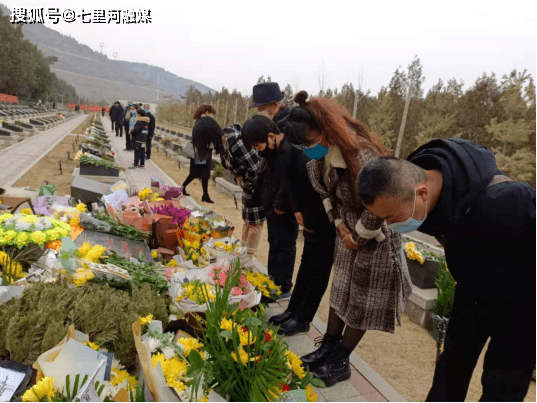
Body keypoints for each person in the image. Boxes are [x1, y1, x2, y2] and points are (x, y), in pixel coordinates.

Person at [356, 139, 536, 402]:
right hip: (471, 293)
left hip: (521, 305)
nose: (388, 226)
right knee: (449, 370)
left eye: (391, 217)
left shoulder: (509, 201)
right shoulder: (423, 194)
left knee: (502, 385)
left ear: (422, 194)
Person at [283, 91, 412, 388]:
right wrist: (340, 227)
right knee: (341, 291)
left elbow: (380, 202)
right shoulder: (319, 157)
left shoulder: (361, 153)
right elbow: (327, 195)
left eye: (309, 142)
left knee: (361, 301)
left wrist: (358, 235)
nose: (308, 150)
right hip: (347, 231)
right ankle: (328, 347)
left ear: (326, 130)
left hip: (375, 235)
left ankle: (341, 360)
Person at [270, 120, 336, 336]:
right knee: (306, 265)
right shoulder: (302, 148)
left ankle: (303, 318)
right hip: (310, 216)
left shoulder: (327, 150)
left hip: (328, 220)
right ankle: (293, 310)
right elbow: (295, 180)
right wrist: (297, 209)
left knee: (318, 270)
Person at [241, 115, 298, 300]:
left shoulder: (288, 151)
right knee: (274, 243)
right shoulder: (273, 150)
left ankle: (283, 287)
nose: (258, 151)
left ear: (271, 136)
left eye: (258, 146)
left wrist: (280, 204)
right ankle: (273, 282)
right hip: (273, 207)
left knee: (284, 246)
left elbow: (289, 181)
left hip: (284, 209)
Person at [219, 123, 266, 267]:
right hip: (248, 185)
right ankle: (243, 253)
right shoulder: (228, 144)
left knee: (256, 224)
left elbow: (255, 168)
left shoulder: (237, 143)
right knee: (248, 221)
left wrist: (245, 183)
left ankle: (248, 256)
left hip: (257, 186)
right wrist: (238, 178)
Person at [181, 105, 222, 203]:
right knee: (195, 173)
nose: (212, 116)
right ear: (207, 112)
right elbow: (216, 132)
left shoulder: (200, 121)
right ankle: (181, 188)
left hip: (201, 152)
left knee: (204, 175)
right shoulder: (206, 121)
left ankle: (205, 195)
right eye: (212, 113)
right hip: (202, 153)